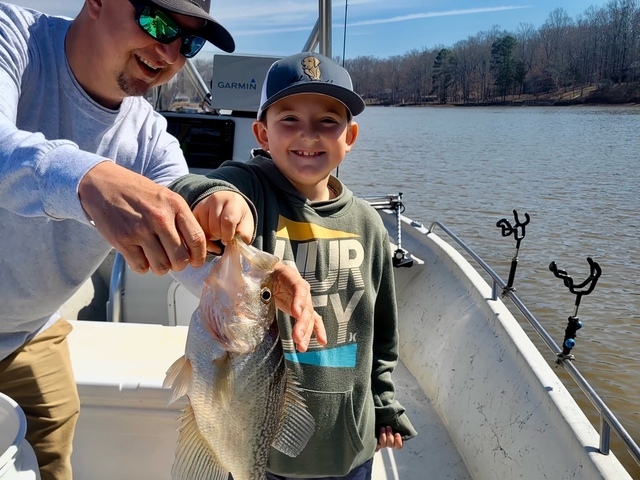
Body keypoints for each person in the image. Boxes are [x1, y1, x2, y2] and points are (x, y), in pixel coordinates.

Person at [0, 2, 323, 480]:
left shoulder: (151, 139)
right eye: (157, 21)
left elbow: (187, 227)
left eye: (189, 42)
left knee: (53, 455)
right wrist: (89, 179)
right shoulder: (13, 37)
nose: (169, 52)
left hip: (30, 332)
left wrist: (219, 211)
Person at [169, 51, 417, 479]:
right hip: (265, 448)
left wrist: (383, 404)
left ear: (350, 136)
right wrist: (215, 198)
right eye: (289, 120)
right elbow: (189, 186)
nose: (309, 135)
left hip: (349, 444)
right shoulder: (251, 187)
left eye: (327, 121)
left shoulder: (369, 225)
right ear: (262, 133)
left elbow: (381, 330)